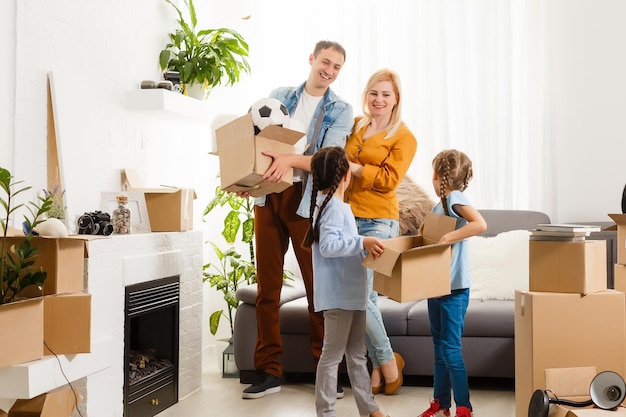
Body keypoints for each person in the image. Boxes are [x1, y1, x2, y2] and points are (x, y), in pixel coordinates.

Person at [242, 40, 354, 399]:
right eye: (325, 62)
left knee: (318, 291)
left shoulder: (341, 109)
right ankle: (269, 371)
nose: (329, 70)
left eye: (337, 67)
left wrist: (290, 161)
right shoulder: (279, 96)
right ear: (312, 59)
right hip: (268, 198)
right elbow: (254, 145)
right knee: (267, 290)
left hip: (307, 202)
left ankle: (327, 372)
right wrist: (247, 180)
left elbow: (328, 158)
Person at [344, 68, 417, 395]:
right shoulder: (357, 125)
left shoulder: (404, 136)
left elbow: (389, 180)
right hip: (348, 218)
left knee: (360, 298)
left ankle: (388, 361)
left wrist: (357, 168)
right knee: (366, 297)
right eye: (374, 92)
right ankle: (381, 365)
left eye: (386, 94)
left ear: (396, 99)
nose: (379, 99)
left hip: (378, 221)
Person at [304, 146, 389, 417]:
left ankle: (370, 409)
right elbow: (329, 246)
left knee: (356, 355)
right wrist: (362, 241)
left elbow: (342, 247)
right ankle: (326, 412)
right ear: (345, 177)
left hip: (352, 294)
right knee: (332, 357)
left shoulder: (333, 206)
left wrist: (363, 248)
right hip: (340, 297)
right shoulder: (332, 209)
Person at [418, 149, 487, 417]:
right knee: (439, 347)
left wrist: (448, 238)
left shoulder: (454, 198)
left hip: (454, 289)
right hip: (437, 285)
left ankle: (464, 407)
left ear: (437, 176)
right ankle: (441, 403)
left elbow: (479, 224)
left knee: (449, 347)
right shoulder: (439, 205)